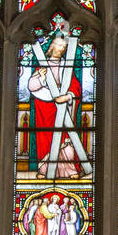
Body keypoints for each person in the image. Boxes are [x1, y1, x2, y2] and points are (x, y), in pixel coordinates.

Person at [27, 28, 84, 180]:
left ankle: (70, 170)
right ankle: (45, 171)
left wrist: (68, 96)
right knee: (46, 140)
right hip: (45, 109)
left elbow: (75, 86)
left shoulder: (67, 66)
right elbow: (32, 86)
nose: (61, 49)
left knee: (66, 142)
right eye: (59, 45)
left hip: (63, 108)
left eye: (63, 47)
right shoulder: (42, 66)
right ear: (51, 47)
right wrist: (40, 78)